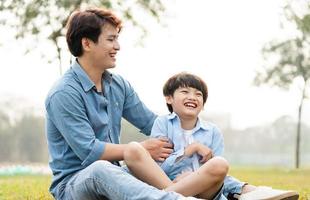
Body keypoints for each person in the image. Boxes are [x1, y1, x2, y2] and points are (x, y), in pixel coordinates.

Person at [45, 7, 223, 200]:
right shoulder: (64, 93)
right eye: (111, 39)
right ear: (87, 43)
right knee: (101, 169)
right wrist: (140, 149)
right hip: (76, 183)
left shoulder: (117, 85)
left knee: (205, 167)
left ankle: (235, 190)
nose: (118, 46)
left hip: (118, 175)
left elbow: (152, 123)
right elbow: (89, 151)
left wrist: (193, 139)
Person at [123, 72, 299, 200]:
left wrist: (194, 176)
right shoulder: (162, 124)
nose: (193, 97)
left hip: (204, 190)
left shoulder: (212, 131)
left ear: (203, 104)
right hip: (167, 182)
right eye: (185, 92)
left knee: (220, 164)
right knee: (136, 154)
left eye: (198, 94)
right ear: (169, 99)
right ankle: (245, 191)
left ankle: (247, 191)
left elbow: (215, 171)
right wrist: (188, 150)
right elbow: (158, 169)